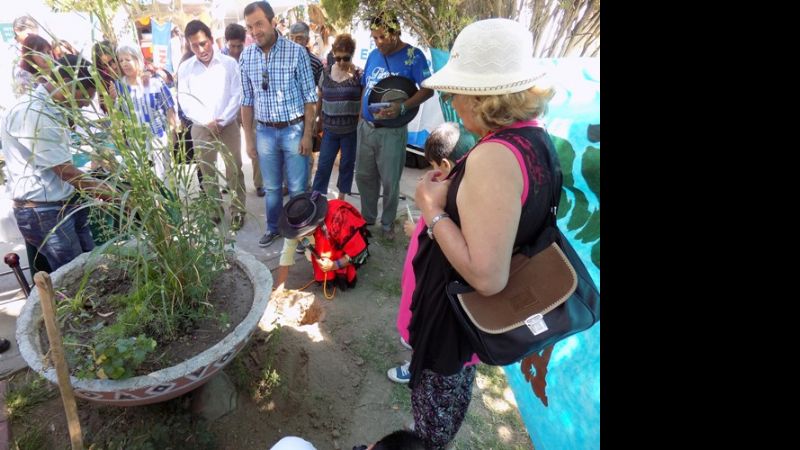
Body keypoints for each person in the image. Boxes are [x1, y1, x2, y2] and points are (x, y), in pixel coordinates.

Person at [402, 18, 557, 449]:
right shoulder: (533, 138)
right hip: (466, 319)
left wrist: (433, 210)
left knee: (431, 428)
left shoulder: (495, 156)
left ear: (483, 96)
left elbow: (487, 276)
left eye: (458, 90)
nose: (452, 100)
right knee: (448, 400)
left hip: (452, 319)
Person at [1, 55, 114, 273]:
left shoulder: (52, 107)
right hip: (45, 210)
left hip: (64, 201)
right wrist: (115, 197)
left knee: (94, 267)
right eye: (83, 98)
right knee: (76, 275)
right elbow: (66, 172)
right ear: (67, 84)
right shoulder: (33, 113)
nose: (85, 105)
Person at [240, 1, 318, 248]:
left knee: (297, 188)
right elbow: (246, 101)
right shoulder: (246, 56)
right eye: (250, 27)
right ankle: (273, 228)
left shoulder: (296, 52)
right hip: (264, 132)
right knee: (272, 188)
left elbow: (310, 97)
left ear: (273, 21)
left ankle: (300, 233)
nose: (255, 31)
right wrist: (249, 139)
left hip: (294, 130)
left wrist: (307, 135)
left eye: (259, 24)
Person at [356, 12, 433, 240]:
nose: (378, 42)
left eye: (382, 37)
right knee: (364, 177)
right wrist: (361, 116)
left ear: (396, 32)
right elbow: (365, 86)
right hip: (367, 128)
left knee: (390, 180)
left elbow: (428, 89)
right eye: (375, 38)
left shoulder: (413, 56)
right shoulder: (373, 55)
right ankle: (368, 219)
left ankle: (388, 222)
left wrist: (403, 107)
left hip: (392, 132)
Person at [178, 20, 245, 229]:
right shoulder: (186, 69)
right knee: (207, 171)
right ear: (189, 46)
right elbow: (184, 99)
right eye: (194, 45)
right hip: (201, 127)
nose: (200, 49)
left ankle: (238, 211)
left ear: (211, 39)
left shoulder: (229, 64)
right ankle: (215, 209)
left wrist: (222, 120)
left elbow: (237, 94)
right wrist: (206, 121)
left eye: (203, 43)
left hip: (228, 125)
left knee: (234, 169)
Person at [273, 192, 369, 291]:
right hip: (323, 242)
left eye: (305, 231)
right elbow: (286, 256)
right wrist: (279, 289)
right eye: (301, 232)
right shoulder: (293, 226)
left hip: (346, 240)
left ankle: (339, 268)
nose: (302, 235)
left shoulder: (338, 216)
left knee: (341, 258)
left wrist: (335, 265)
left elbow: (359, 251)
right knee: (311, 256)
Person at [113, 44, 178, 182]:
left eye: (128, 59)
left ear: (138, 59)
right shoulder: (119, 86)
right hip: (135, 141)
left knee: (165, 177)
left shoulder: (155, 83)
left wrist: (172, 134)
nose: (124, 64)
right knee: (144, 179)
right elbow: (117, 115)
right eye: (121, 60)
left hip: (158, 137)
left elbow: (169, 108)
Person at [311, 33, 362, 201]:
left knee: (347, 165)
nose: (340, 62)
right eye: (337, 58)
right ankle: (317, 198)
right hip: (329, 129)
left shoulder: (358, 75)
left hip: (350, 130)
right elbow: (320, 97)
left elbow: (363, 101)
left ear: (352, 55)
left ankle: (341, 200)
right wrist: (316, 119)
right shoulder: (326, 73)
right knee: (324, 165)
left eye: (345, 58)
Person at [224, 22, 264, 198]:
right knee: (231, 150)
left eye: (238, 46)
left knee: (255, 145)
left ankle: (260, 184)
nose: (235, 50)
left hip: (250, 108)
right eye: (232, 46)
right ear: (226, 42)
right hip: (230, 110)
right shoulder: (221, 61)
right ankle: (231, 182)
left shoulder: (251, 57)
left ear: (244, 42)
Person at [402, 122, 459, 238]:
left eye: (433, 166)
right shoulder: (459, 183)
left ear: (445, 165)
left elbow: (447, 236)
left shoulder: (454, 197)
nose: (432, 170)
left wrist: (417, 233)